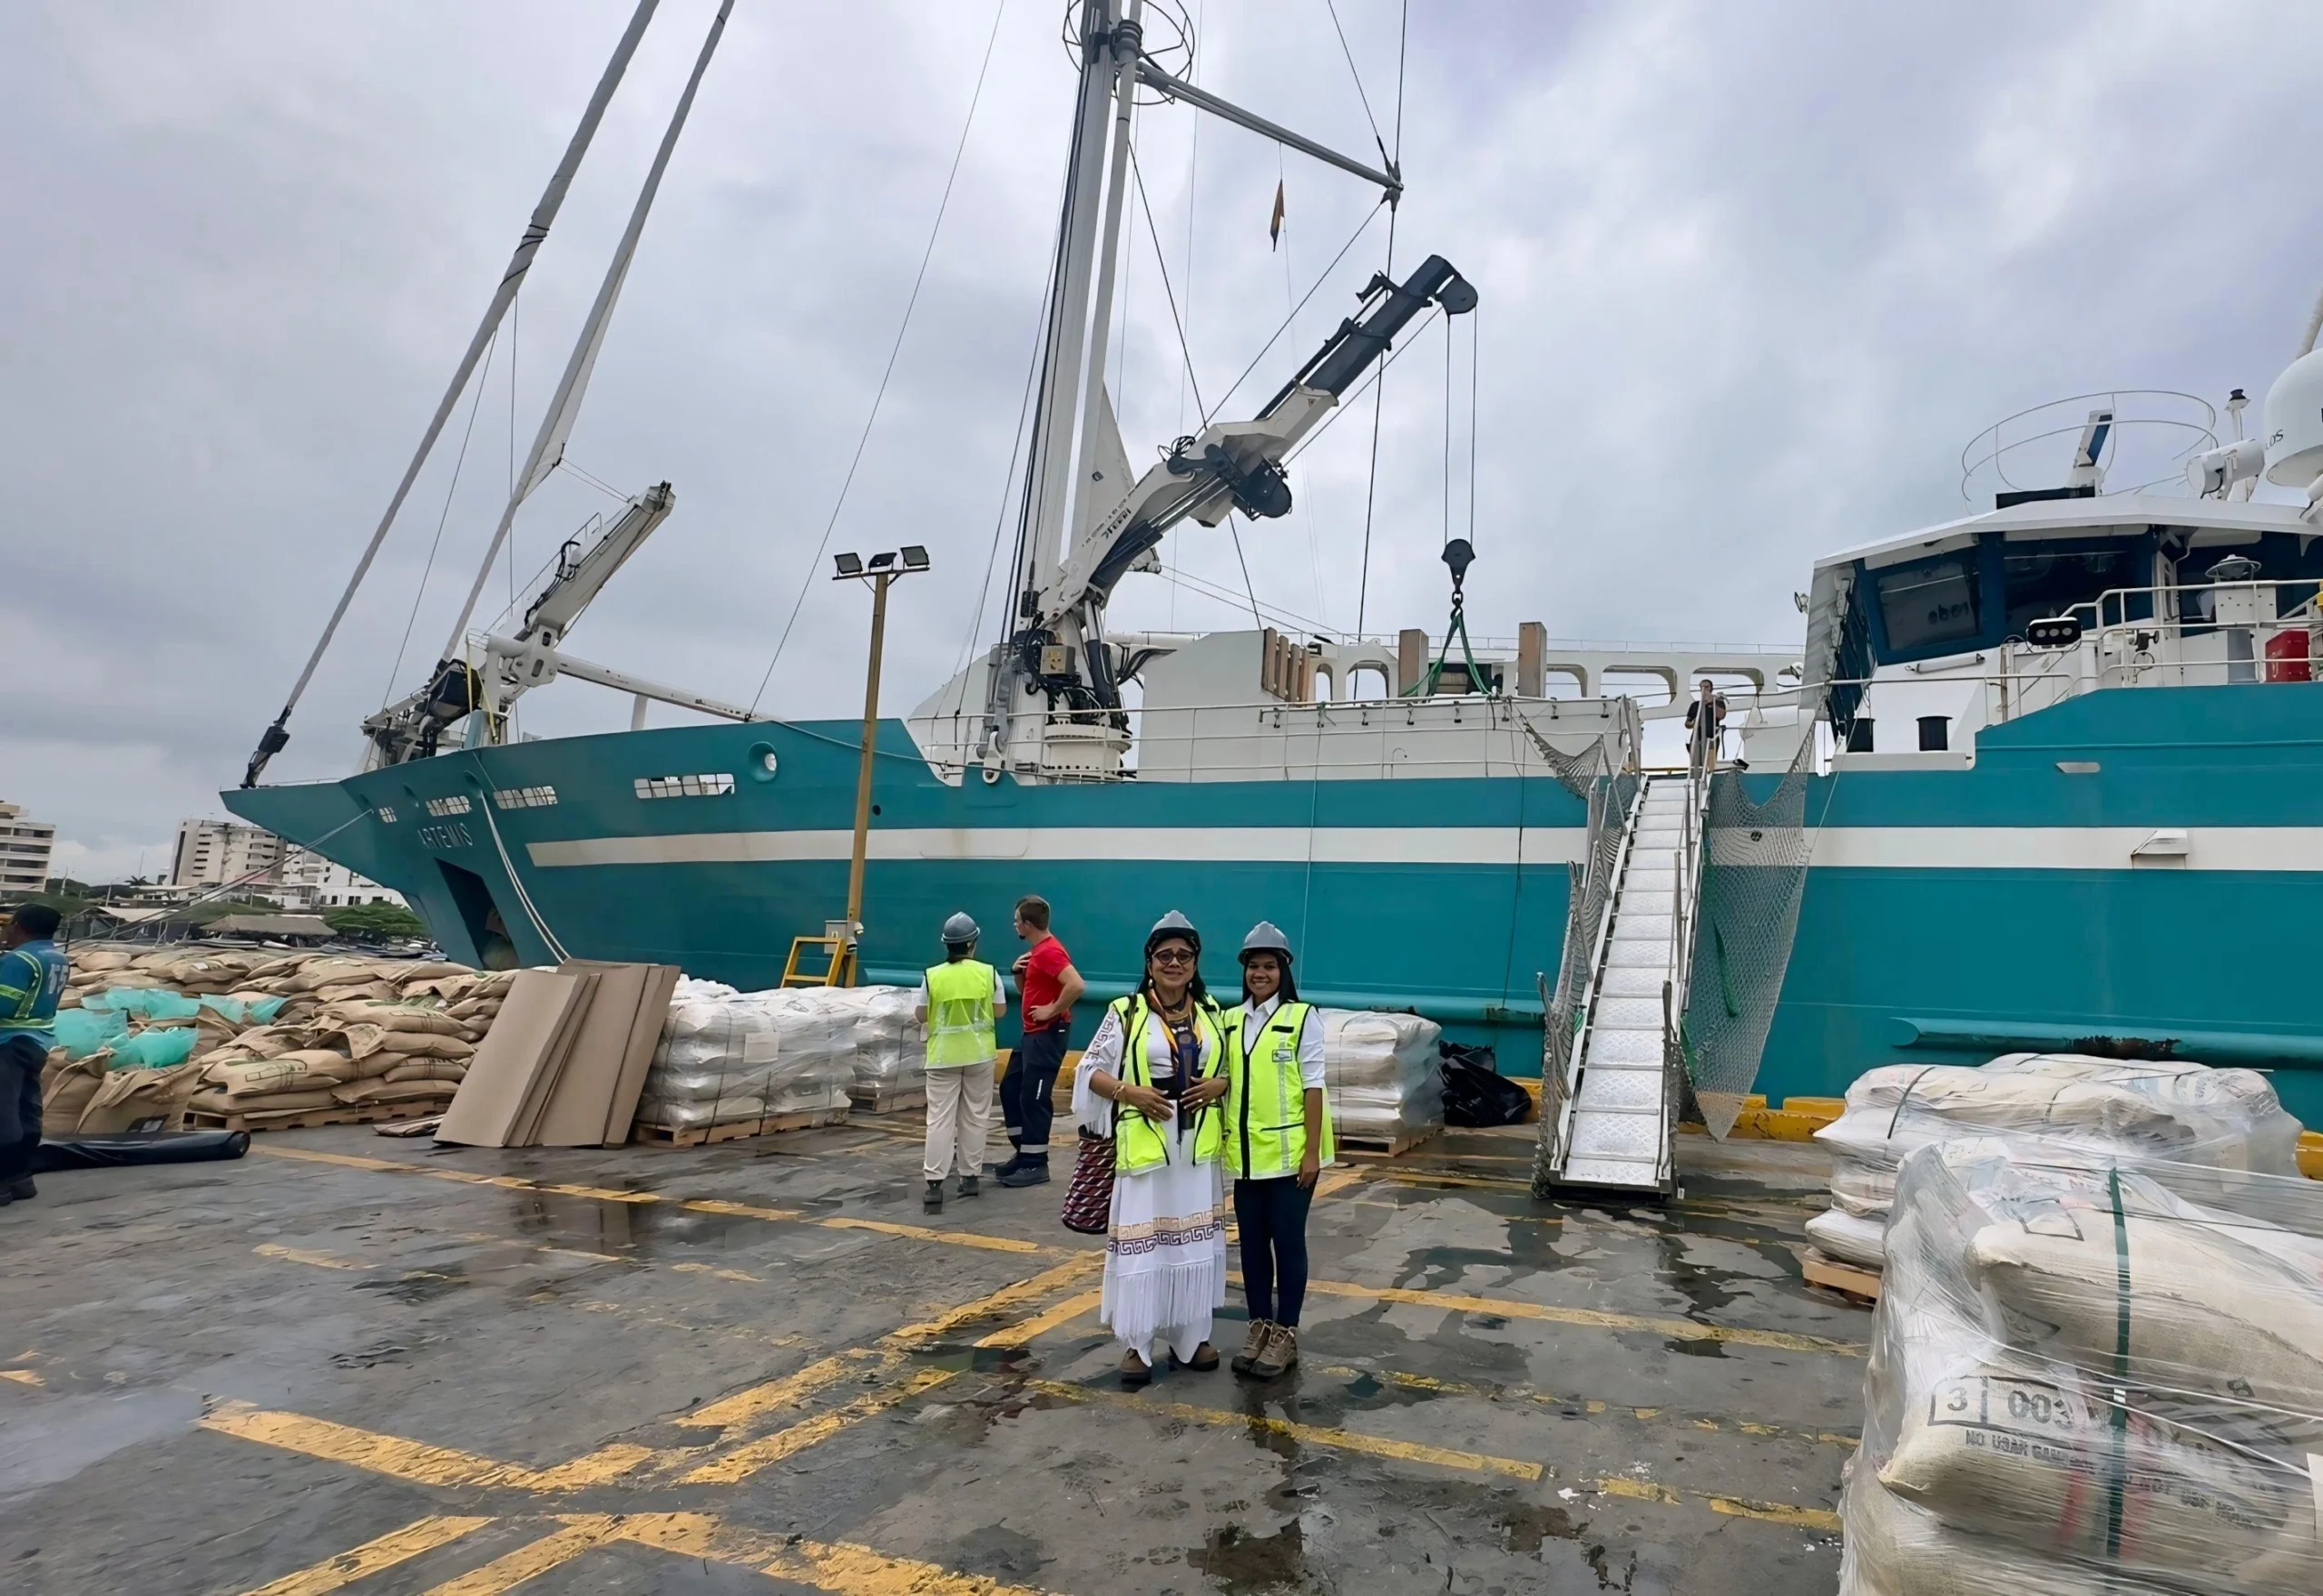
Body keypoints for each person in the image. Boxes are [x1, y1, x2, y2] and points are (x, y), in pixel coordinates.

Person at [1073, 910, 1230, 1387]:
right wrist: (1128, 1092)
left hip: (1195, 1157)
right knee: (1147, 1250)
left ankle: (1191, 1338)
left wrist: (1221, 1083)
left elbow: (1238, 1074)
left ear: (1196, 962)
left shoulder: (1214, 1015)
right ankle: (1137, 1344)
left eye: (1184, 955)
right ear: (1149, 961)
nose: (1174, 963)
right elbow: (1088, 1070)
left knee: (1194, 1247)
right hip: (1146, 1156)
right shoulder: (1126, 1013)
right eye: (1165, 955)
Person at [1224, 921, 1330, 1380]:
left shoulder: (1303, 1017)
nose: (1259, 973)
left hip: (1290, 1159)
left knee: (1287, 1244)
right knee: (1250, 1247)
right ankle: (1258, 1326)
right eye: (1253, 966)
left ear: (1283, 970)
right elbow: (1228, 1078)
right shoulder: (1230, 1020)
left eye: (1269, 966)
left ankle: (1286, 1331)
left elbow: (1313, 1086)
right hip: (1246, 1157)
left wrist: (1310, 1154)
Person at [915, 912, 1005, 1214]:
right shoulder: (988, 973)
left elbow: (921, 1014)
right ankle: (970, 1178)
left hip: (942, 1057)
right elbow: (1000, 1010)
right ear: (973, 944)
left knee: (939, 1118)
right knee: (975, 1115)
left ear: (946, 946)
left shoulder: (932, 975)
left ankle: (934, 1185)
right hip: (979, 1054)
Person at [996, 895, 1083, 1188]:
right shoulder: (1038, 953)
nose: (1015, 925)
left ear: (1028, 924)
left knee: (1034, 1096)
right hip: (1031, 1034)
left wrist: (1051, 1010)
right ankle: (1024, 1152)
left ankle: (1036, 1163)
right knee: (1011, 1088)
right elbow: (1028, 992)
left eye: (1017, 920)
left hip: (1047, 1034)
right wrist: (1017, 973)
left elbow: (1076, 984)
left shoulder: (1049, 953)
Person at [0, 905, 68, 1206]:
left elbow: (3, 1005)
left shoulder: (20, 959)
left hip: (9, 1042)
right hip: (38, 1042)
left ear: (18, 926)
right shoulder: (57, 957)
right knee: (28, 1107)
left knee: (3, 1111)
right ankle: (21, 1177)